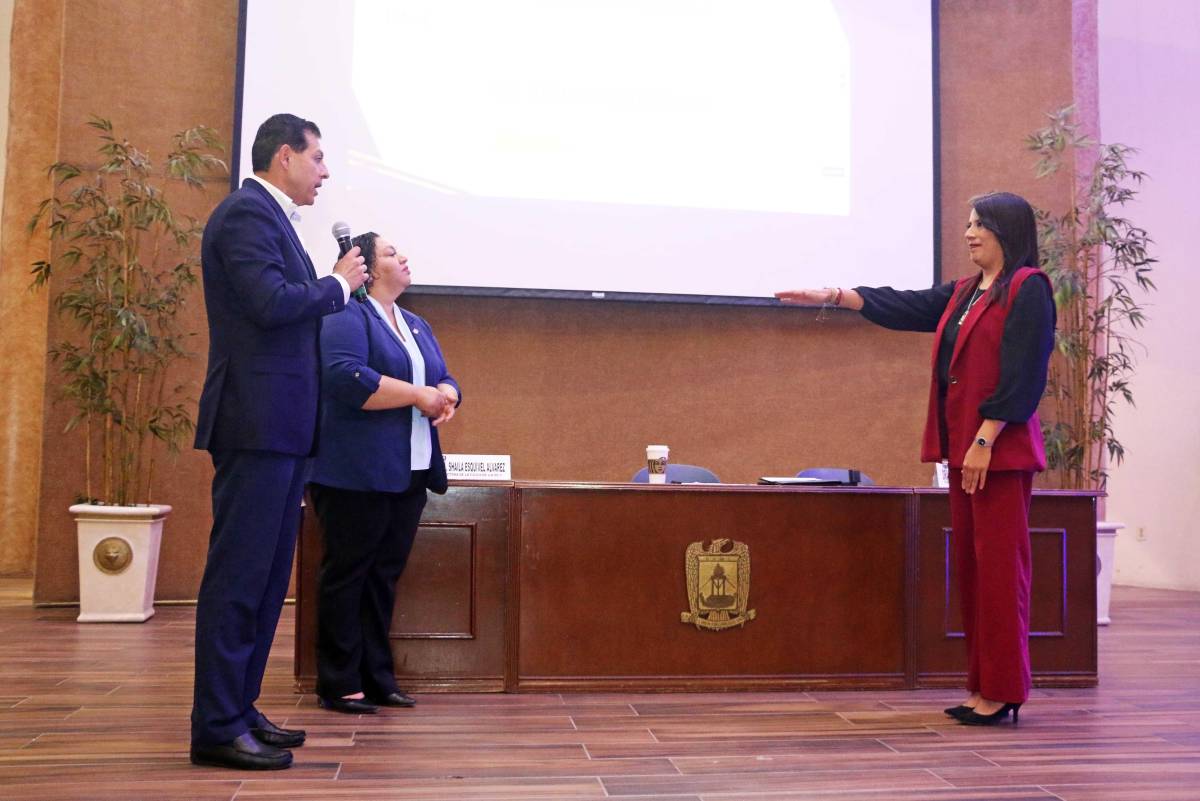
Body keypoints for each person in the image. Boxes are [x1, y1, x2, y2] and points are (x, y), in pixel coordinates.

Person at [776, 191, 1055, 726]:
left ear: (1006, 230)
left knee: (1000, 574)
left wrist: (985, 439)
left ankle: (1004, 690)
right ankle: (983, 687)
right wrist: (836, 295)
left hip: (997, 452)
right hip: (966, 451)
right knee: (973, 572)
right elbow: (906, 305)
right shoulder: (966, 292)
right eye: (968, 223)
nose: (969, 233)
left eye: (980, 224)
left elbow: (1025, 373)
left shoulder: (1028, 288)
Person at [190, 114, 368, 770]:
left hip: (283, 428)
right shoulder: (246, 214)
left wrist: (329, 286)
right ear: (285, 155)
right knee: (240, 575)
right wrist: (338, 284)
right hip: (255, 424)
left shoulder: (273, 220)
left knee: (266, 582)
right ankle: (216, 725)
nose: (324, 172)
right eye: (317, 158)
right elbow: (269, 303)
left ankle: (239, 708)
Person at [307, 231, 461, 714]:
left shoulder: (415, 322)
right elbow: (346, 376)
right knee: (348, 574)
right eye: (392, 253)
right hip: (354, 471)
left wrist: (448, 394)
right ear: (368, 268)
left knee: (383, 577)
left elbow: (442, 376)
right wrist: (417, 395)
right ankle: (338, 681)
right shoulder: (346, 314)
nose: (404, 257)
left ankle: (378, 677)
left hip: (410, 470)